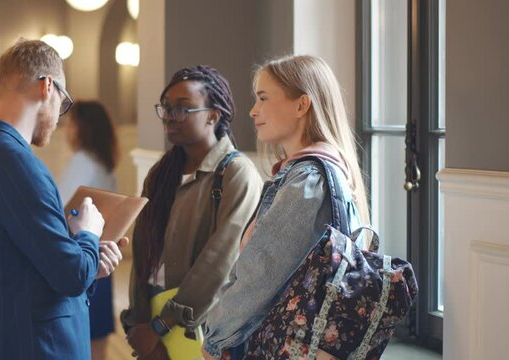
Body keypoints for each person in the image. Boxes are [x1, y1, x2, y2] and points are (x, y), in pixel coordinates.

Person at [0, 39, 125, 360]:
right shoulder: (19, 165)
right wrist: (87, 232)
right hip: (33, 346)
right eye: (63, 101)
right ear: (47, 86)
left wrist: (89, 262)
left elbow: (17, 260)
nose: (60, 116)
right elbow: (70, 276)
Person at [202, 55, 370, 359]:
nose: (253, 110)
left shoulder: (308, 179)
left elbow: (260, 273)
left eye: (263, 98)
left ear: (301, 105)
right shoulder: (322, 171)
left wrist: (215, 337)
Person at [121, 65, 263, 359]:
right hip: (153, 325)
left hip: (201, 330)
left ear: (213, 115)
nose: (171, 117)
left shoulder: (236, 174)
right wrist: (140, 322)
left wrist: (162, 326)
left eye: (184, 109)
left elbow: (219, 264)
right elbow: (143, 251)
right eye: (167, 108)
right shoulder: (161, 173)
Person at [58, 100, 119, 360]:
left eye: (70, 124)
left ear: (82, 128)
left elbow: (59, 209)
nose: (66, 130)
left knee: (82, 339)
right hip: (101, 254)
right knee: (98, 340)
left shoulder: (82, 162)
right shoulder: (104, 164)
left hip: (81, 257)